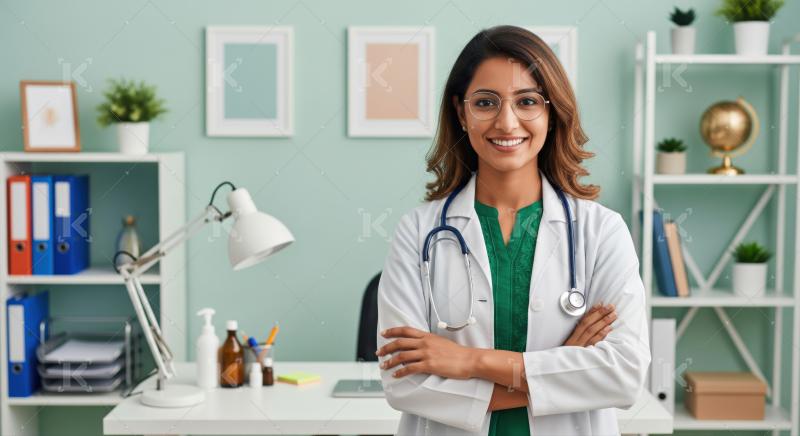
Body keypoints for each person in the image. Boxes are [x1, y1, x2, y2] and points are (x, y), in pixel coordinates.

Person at [375, 25, 651, 435]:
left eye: (527, 101)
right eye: (486, 102)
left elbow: (624, 373)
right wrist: (563, 366)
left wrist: (469, 361)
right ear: (461, 113)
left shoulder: (601, 231)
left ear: (552, 113)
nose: (506, 122)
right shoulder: (418, 231)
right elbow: (405, 384)